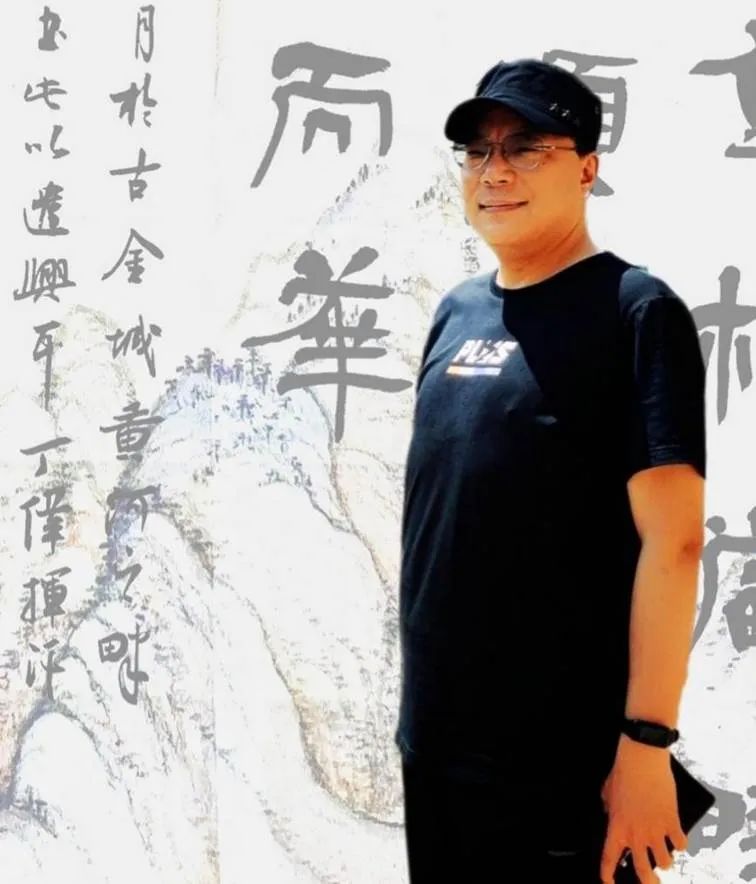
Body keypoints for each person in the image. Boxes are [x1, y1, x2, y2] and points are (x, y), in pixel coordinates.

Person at [394, 58, 707, 883]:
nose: (494, 171)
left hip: (560, 766)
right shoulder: (458, 312)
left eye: (526, 147)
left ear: (587, 168)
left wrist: (646, 746)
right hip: (437, 749)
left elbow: (674, 543)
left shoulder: (636, 312)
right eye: (477, 150)